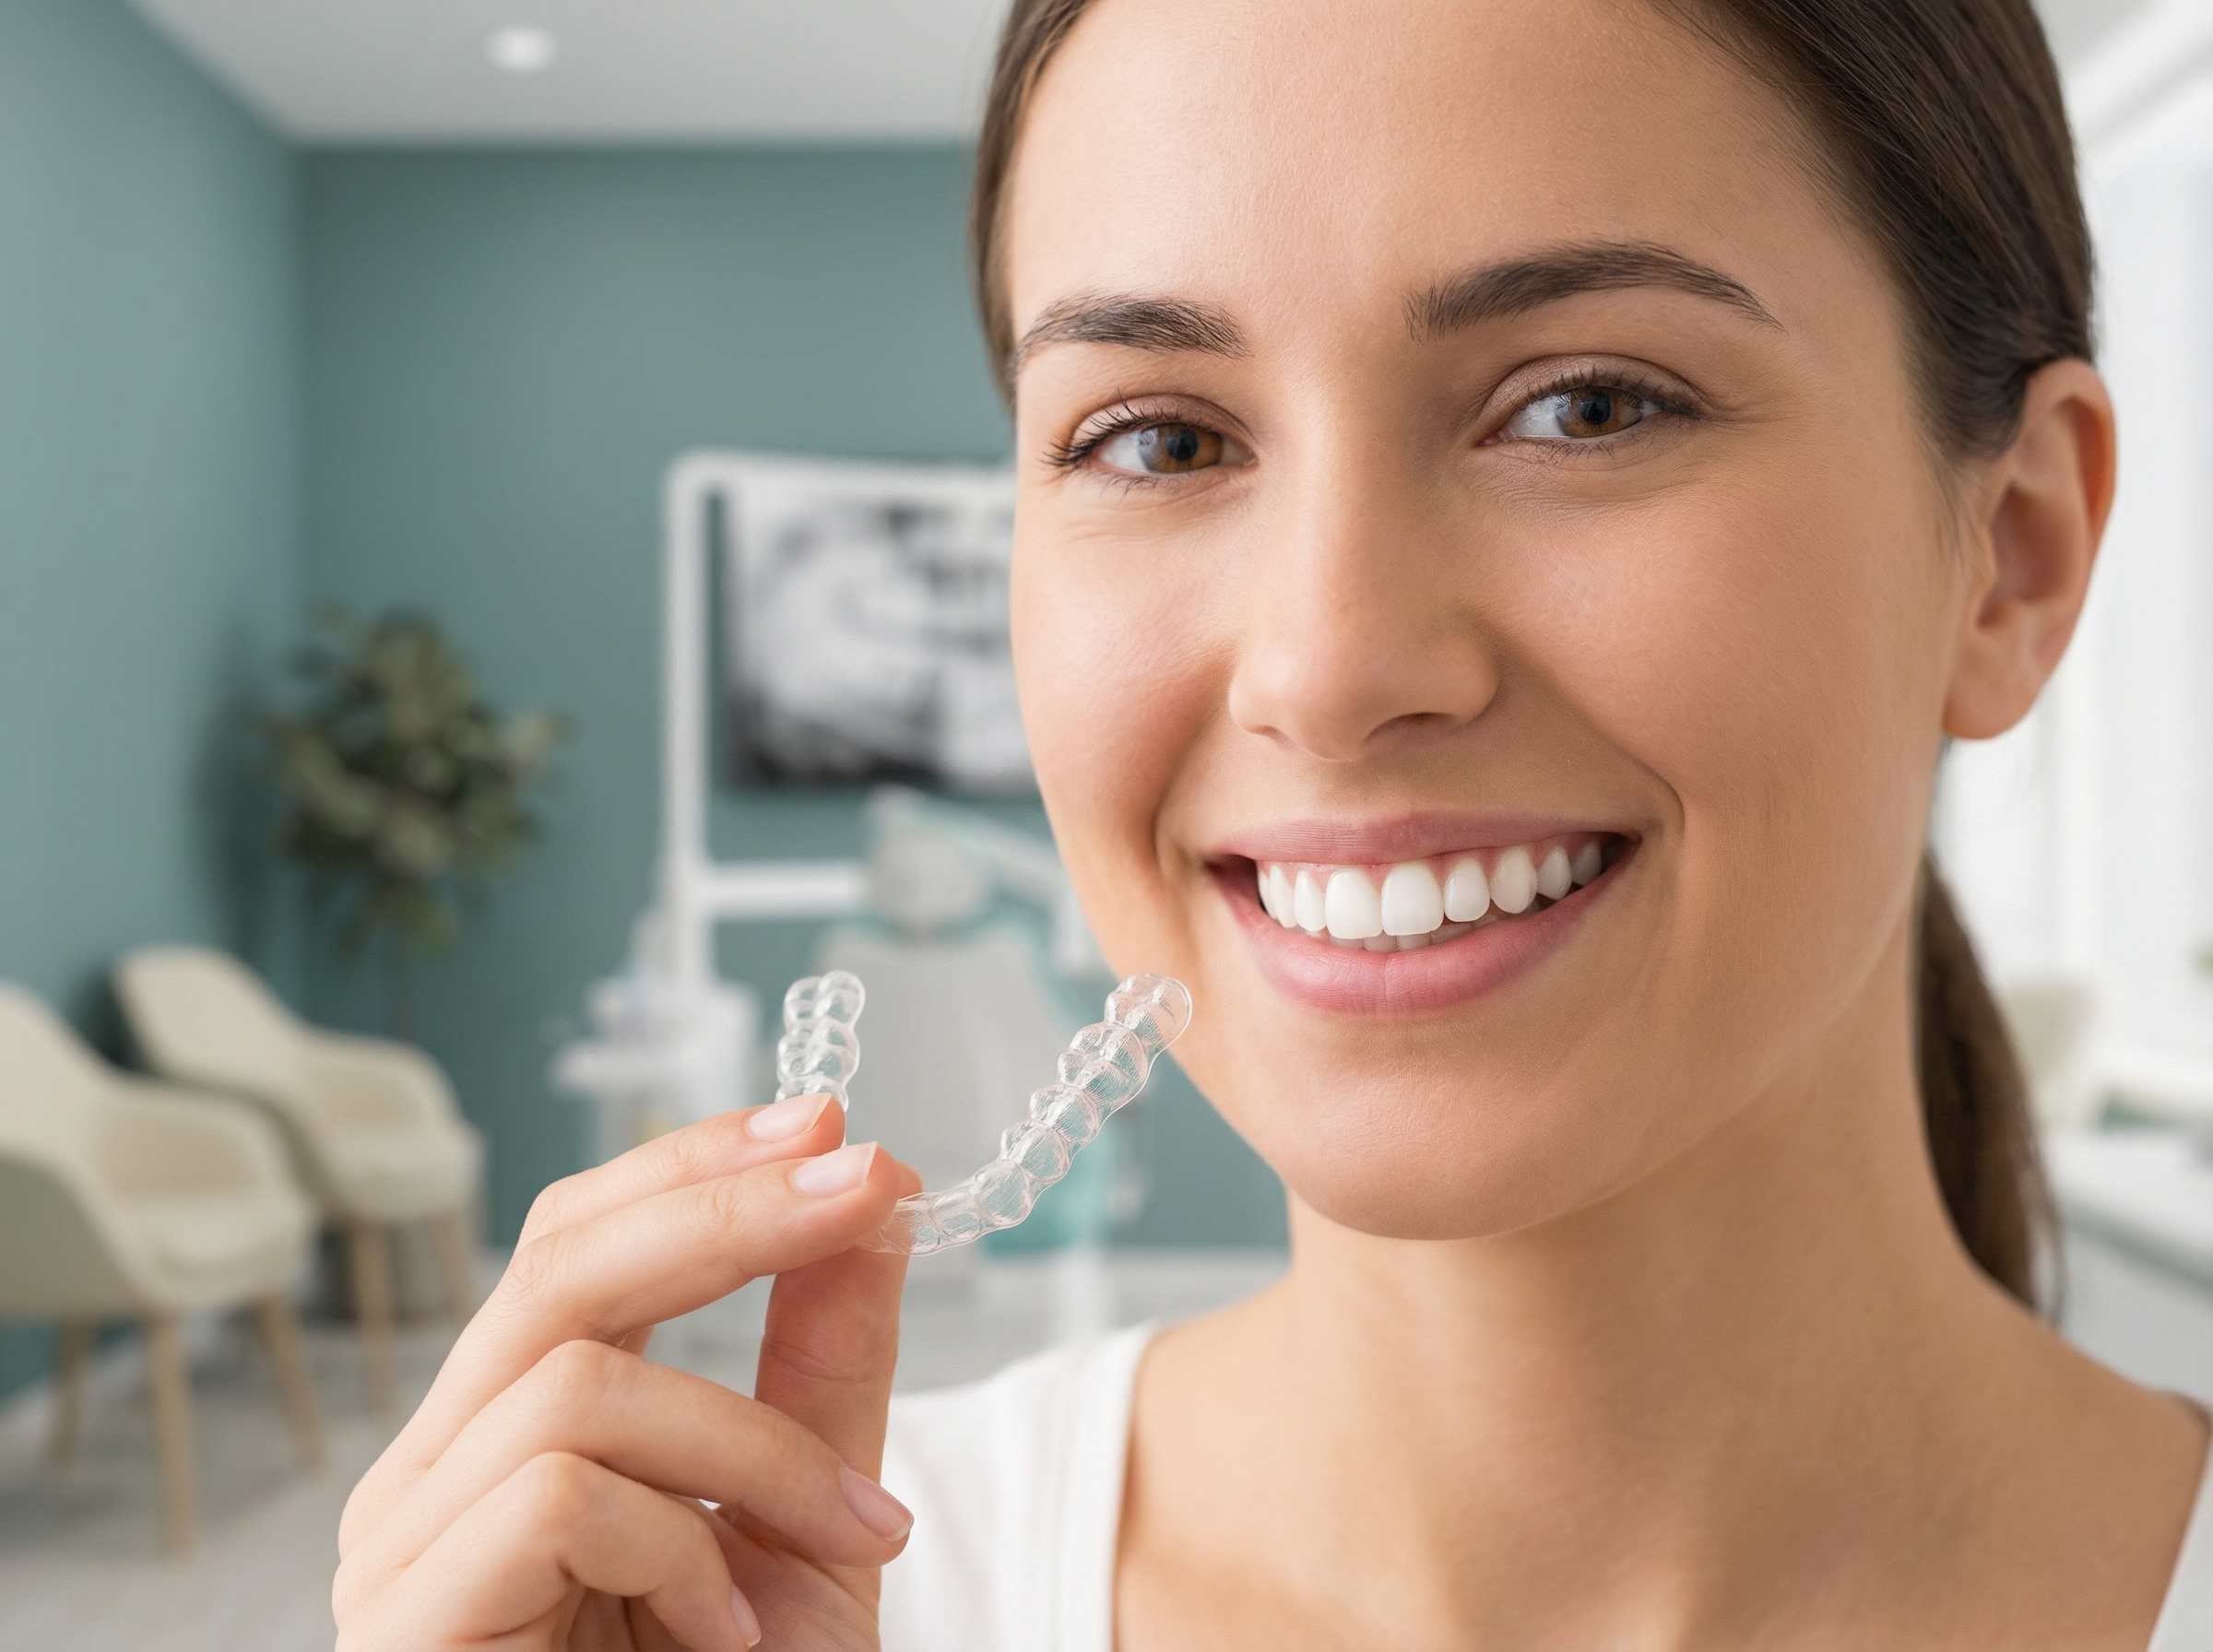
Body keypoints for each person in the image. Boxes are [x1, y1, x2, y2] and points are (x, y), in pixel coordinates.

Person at [331, 0, 2213, 1646]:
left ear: (2012, 557)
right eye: (1158, 437)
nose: (1325, 665)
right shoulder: (783, 1605)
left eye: (1586, 404)